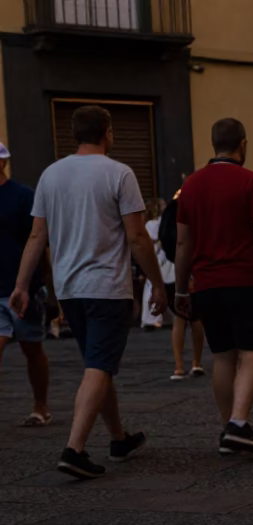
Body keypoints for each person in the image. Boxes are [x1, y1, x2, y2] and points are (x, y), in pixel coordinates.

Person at [11, 105, 166, 478]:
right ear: (108, 132)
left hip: (69, 290)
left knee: (99, 364)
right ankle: (74, 449)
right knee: (98, 365)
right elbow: (137, 236)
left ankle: (118, 438)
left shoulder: (51, 175)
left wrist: (21, 285)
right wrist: (158, 284)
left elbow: (37, 236)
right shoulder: (119, 173)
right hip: (107, 287)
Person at [174, 117, 253, 456]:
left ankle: (228, 426)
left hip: (207, 286)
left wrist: (181, 289)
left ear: (213, 145)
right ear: (242, 144)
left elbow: (183, 244)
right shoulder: (252, 182)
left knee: (222, 357)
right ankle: (239, 423)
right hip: (246, 282)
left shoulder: (193, 186)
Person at [0, 140, 53, 427]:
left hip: (22, 286)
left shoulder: (22, 196)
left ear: (3, 162)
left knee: (32, 349)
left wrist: (45, 287)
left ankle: (40, 404)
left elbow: (38, 240)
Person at [156, 192, 205, 380]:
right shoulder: (194, 209)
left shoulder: (170, 210)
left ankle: (178, 366)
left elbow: (164, 236)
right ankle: (197, 362)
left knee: (179, 318)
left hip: (170, 269)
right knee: (196, 318)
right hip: (192, 267)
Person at [139, 199, 166, 332]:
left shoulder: (155, 223)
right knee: (153, 285)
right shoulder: (151, 224)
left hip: (160, 255)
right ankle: (151, 318)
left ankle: (157, 317)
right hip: (157, 255)